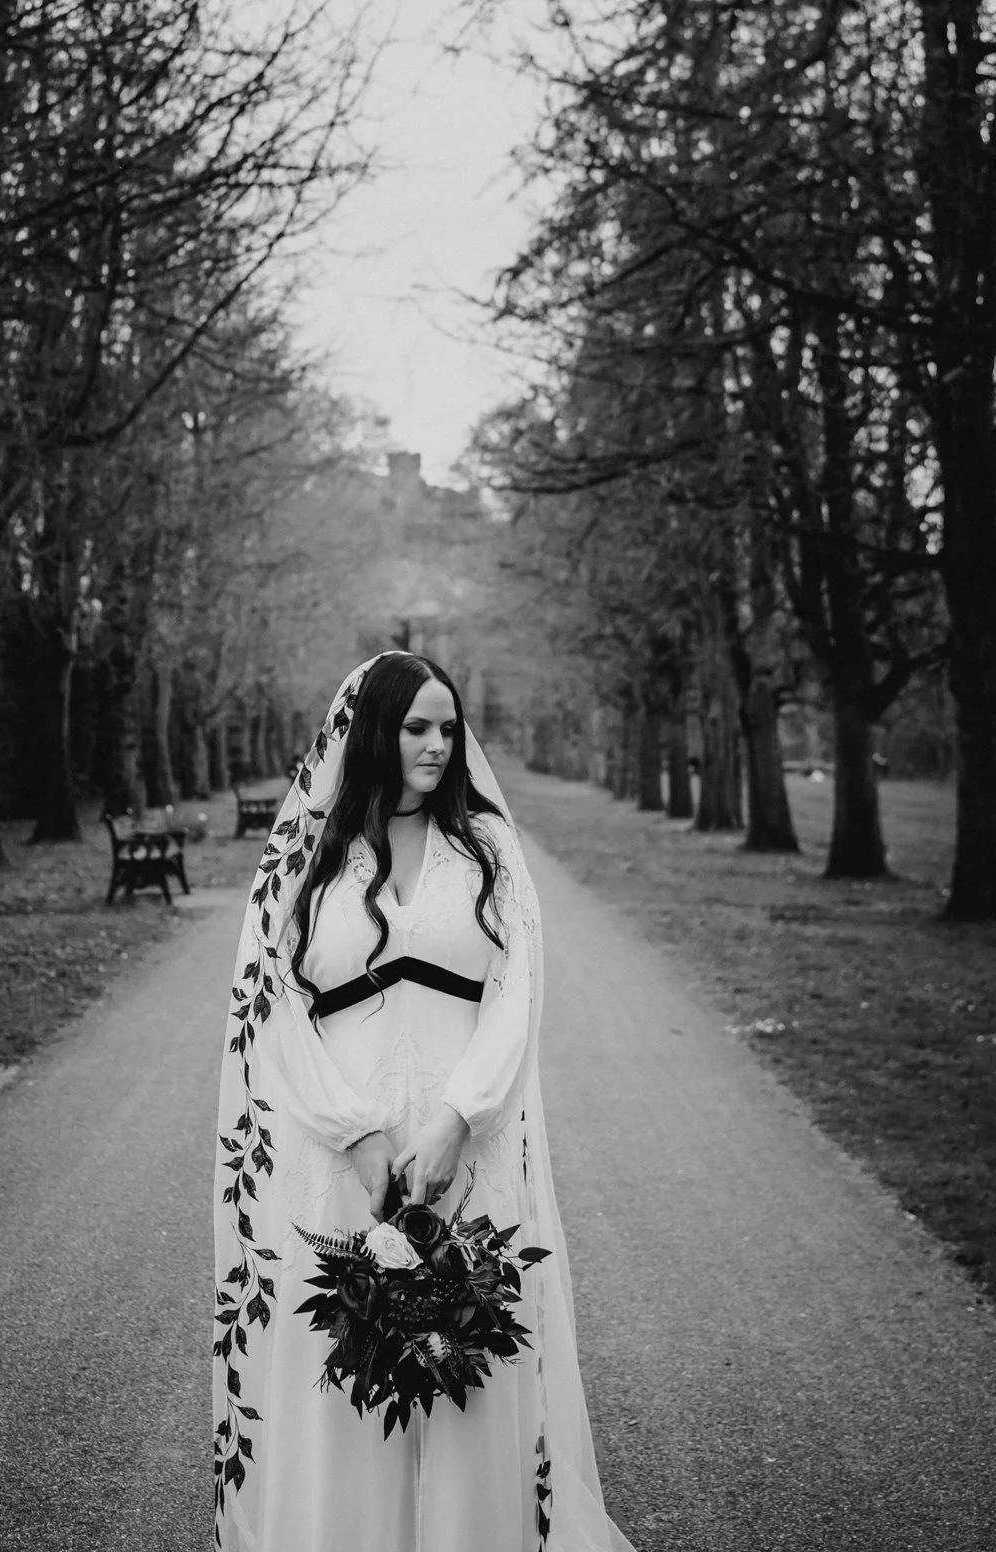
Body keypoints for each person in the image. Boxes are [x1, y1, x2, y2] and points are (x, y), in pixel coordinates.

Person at [213, 651, 635, 1552]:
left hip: (464, 1147)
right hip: (337, 1157)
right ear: (374, 731)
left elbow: (516, 991)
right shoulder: (306, 858)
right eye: (416, 727)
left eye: (448, 727)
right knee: (344, 1367)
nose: (438, 744)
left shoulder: (487, 849)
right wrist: (357, 1134)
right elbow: (273, 1008)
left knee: (468, 1370)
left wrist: (457, 1122)